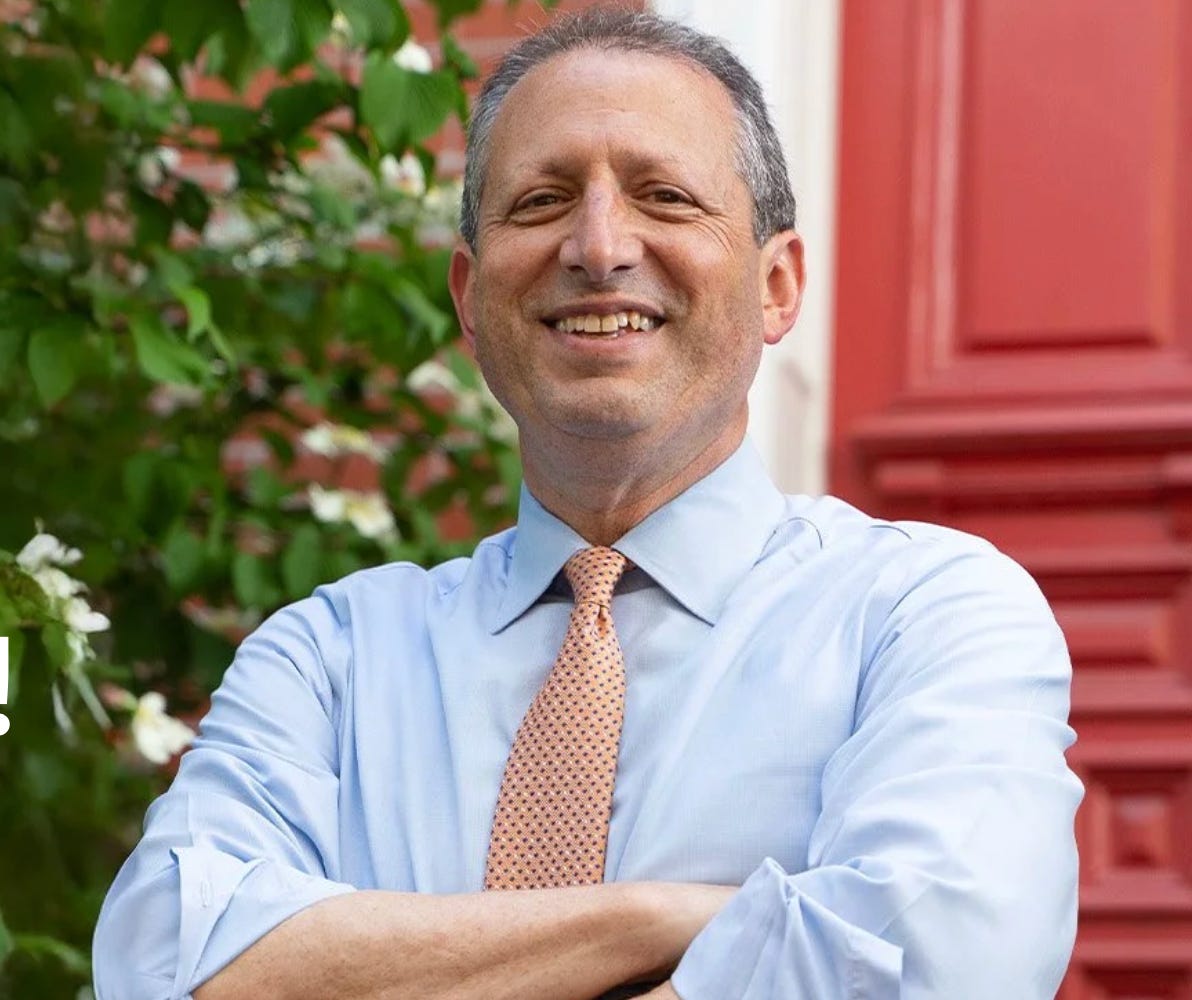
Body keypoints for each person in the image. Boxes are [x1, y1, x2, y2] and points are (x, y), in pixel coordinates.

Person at [93, 9, 1083, 999]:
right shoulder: (330, 659)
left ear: (776, 286)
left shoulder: (924, 614)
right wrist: (679, 915)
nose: (599, 246)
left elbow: (947, 963)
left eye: (664, 195)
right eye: (542, 200)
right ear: (470, 303)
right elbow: (162, 964)